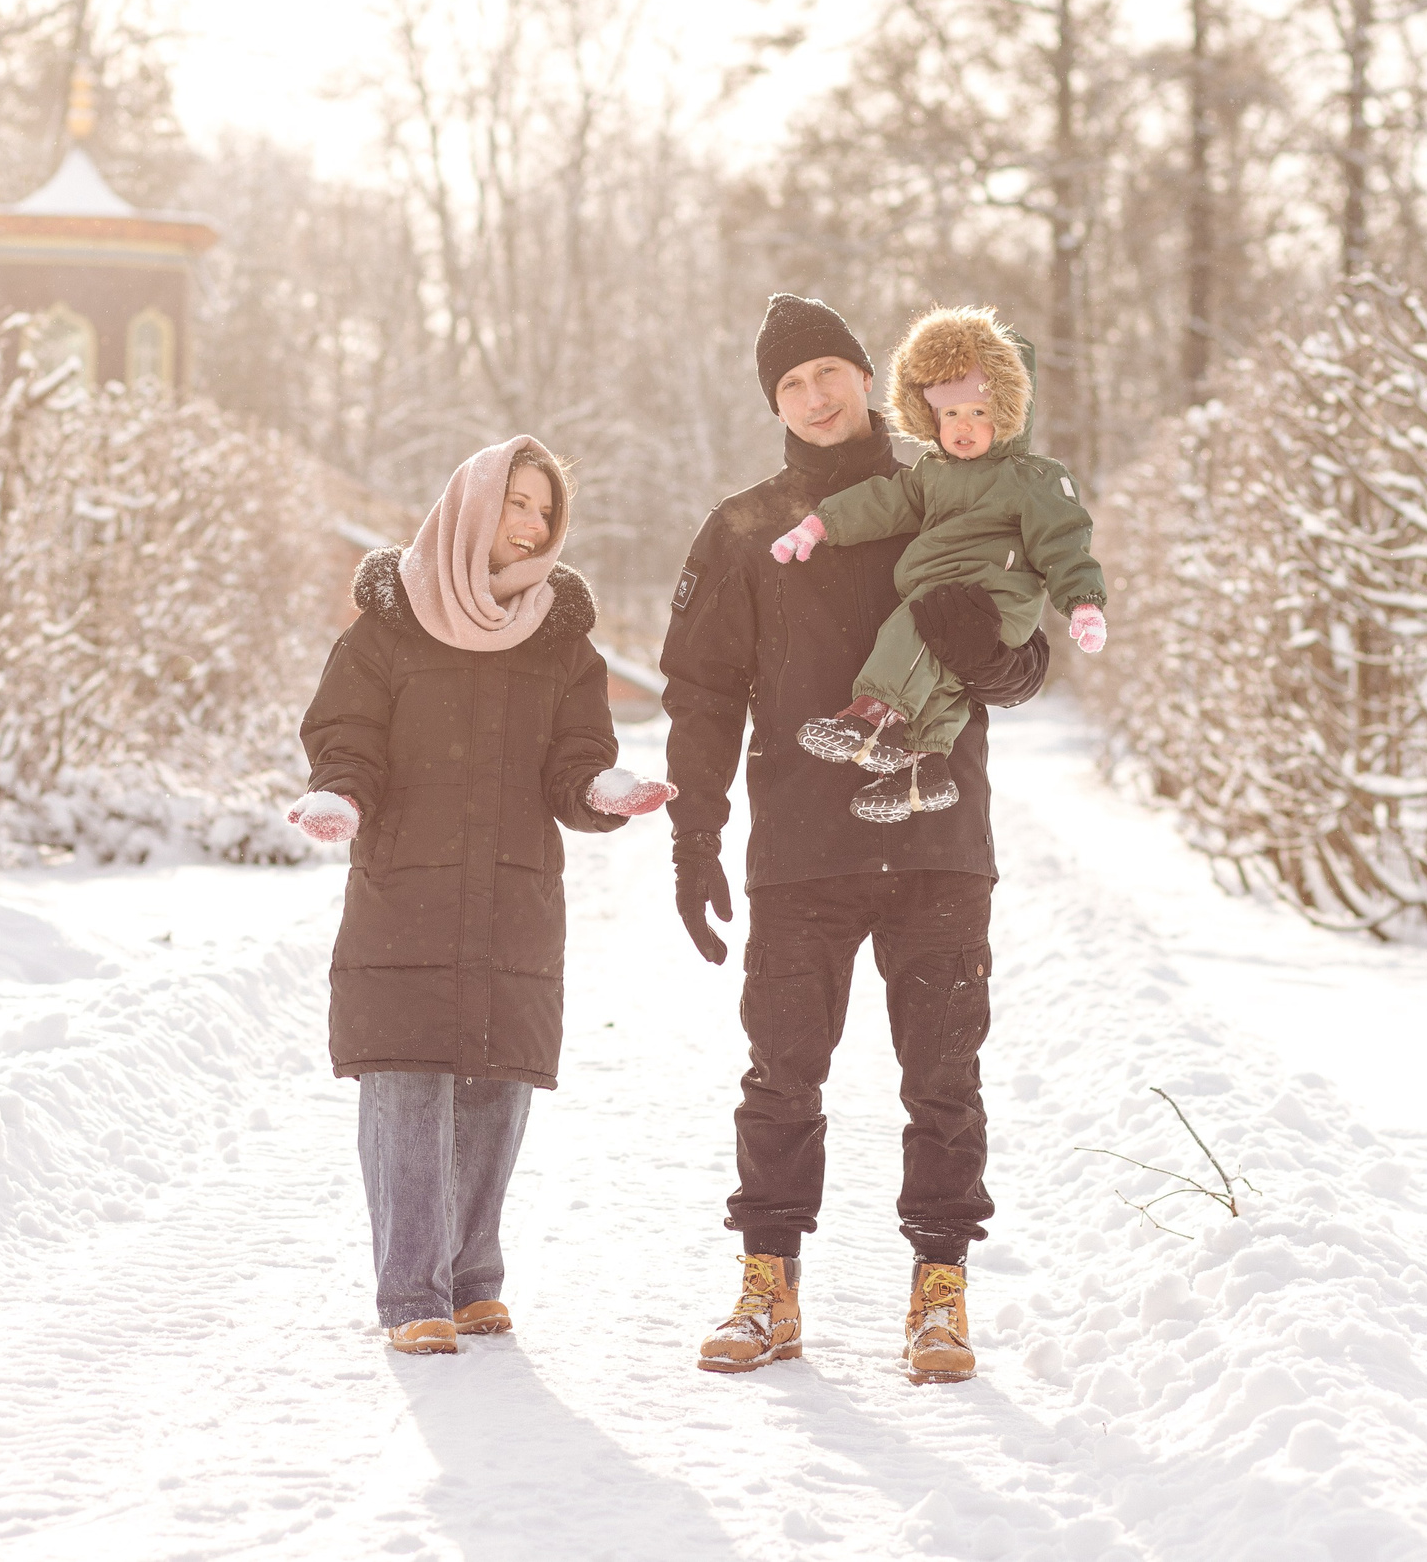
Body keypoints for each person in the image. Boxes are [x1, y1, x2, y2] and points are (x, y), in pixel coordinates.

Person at [660, 294, 1050, 1385]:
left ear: (868, 377)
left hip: (937, 835)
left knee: (943, 1075)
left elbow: (1024, 654)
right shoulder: (745, 527)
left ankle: (938, 1294)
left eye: (831, 370)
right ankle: (768, 1286)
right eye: (792, 382)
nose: (817, 394)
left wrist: (993, 658)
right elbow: (699, 692)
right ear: (773, 402)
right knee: (782, 1073)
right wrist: (696, 835)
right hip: (801, 846)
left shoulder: (956, 492)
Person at [289, 436, 674, 1355]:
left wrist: (601, 791)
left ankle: (471, 1280)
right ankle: (412, 1290)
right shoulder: (387, 627)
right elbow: (347, 737)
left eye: (546, 509)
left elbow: (572, 761)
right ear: (471, 504)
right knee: (409, 1081)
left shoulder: (559, 640)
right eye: (518, 501)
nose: (534, 522)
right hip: (406, 891)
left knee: (499, 1084)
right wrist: (339, 795)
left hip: (512, 893)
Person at [771, 306, 1107, 822]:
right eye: (950, 414)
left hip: (996, 598)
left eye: (978, 412)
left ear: (1010, 411)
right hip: (949, 592)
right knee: (943, 677)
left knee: (913, 625)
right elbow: (883, 501)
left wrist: (1082, 603)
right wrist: (821, 525)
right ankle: (924, 769)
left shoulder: (1032, 477)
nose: (963, 427)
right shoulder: (932, 473)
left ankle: (873, 715)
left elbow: (1064, 540)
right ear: (930, 417)